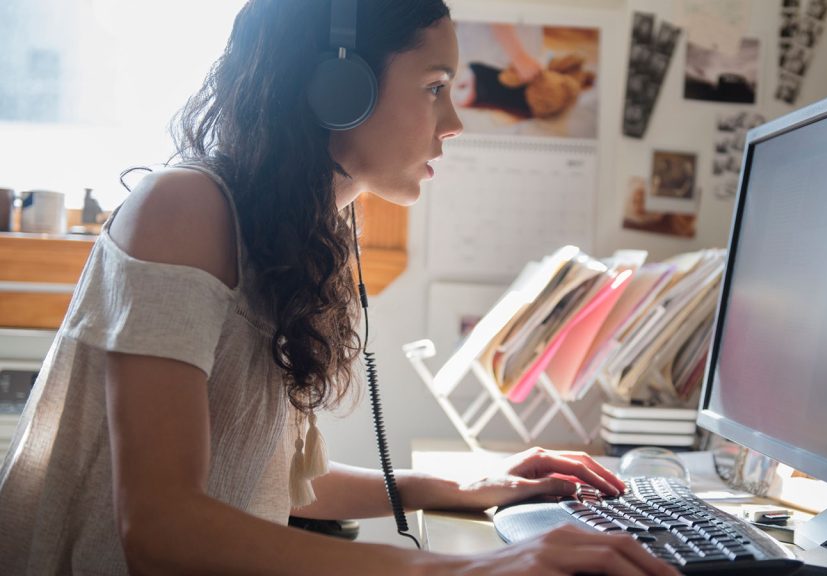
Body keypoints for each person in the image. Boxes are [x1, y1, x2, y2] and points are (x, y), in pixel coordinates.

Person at [0, 1, 677, 575]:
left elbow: (278, 479)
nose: (454, 124)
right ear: (338, 89)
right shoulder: (184, 212)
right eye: (435, 87)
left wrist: (470, 485)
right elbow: (159, 526)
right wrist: (469, 566)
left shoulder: (299, 234)